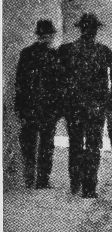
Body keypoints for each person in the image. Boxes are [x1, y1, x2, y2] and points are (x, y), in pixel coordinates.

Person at [59, 13, 112, 198]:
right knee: (92, 146)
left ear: (82, 29)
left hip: (75, 107)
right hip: (95, 107)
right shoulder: (102, 51)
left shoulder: (68, 50)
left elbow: (58, 78)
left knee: (76, 144)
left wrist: (62, 101)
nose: (90, 32)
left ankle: (76, 183)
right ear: (95, 30)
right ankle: (88, 188)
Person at [15, 19, 62, 189]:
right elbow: (59, 84)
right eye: (48, 35)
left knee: (33, 144)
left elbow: (20, 83)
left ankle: (33, 179)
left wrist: (19, 107)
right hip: (43, 107)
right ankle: (40, 180)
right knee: (43, 144)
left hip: (34, 107)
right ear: (47, 36)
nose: (48, 38)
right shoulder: (52, 55)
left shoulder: (27, 53)